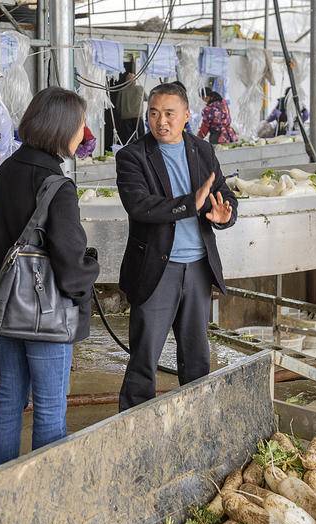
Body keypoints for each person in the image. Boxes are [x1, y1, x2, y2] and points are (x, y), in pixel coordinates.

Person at [0, 86, 100, 467]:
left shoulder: (4, 173)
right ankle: (43, 491)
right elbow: (70, 265)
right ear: (63, 128)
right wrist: (89, 273)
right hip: (47, 317)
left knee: (9, 401)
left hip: (7, 306)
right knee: (50, 408)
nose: (84, 133)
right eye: (81, 125)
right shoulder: (58, 187)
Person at [115, 82, 238, 411]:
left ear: (186, 115)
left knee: (196, 357)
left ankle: (196, 422)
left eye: (169, 113)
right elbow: (139, 206)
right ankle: (132, 429)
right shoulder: (132, 156)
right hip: (157, 268)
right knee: (144, 358)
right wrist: (189, 204)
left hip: (197, 268)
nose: (161, 121)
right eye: (153, 113)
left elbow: (224, 194)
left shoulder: (203, 150)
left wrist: (223, 214)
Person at [117, 71, 146, 144]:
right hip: (137, 117)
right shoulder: (140, 89)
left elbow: (118, 106)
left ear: (126, 81)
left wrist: (121, 114)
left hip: (125, 118)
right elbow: (147, 98)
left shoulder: (122, 91)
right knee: (141, 139)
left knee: (128, 140)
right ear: (135, 80)